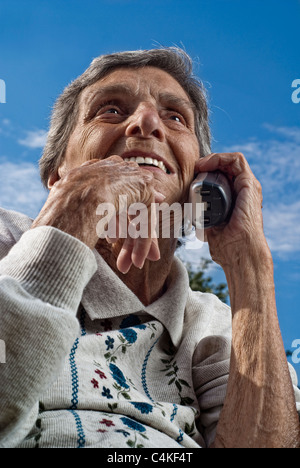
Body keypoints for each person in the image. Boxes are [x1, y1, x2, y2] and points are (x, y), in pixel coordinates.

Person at [0, 47, 299, 449]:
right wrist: (74, 212)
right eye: (110, 110)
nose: (145, 123)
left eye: (175, 117)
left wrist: (250, 267)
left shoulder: (212, 322)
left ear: (201, 183)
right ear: (59, 174)